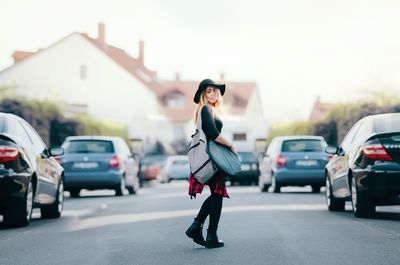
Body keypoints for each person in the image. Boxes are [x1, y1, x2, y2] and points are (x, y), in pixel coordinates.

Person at [185, 78, 237, 249]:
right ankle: (208, 233)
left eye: (215, 91)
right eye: (208, 91)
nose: (213, 94)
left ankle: (200, 229)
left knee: (217, 194)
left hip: (211, 158)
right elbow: (214, 135)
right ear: (203, 94)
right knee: (217, 194)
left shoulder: (209, 110)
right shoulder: (205, 109)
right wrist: (230, 144)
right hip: (211, 160)